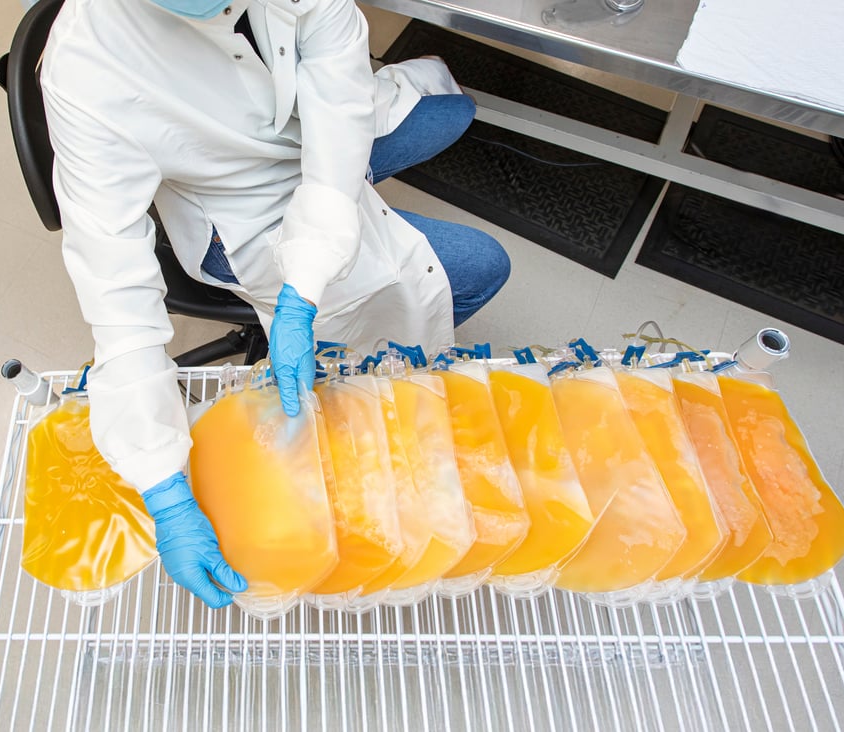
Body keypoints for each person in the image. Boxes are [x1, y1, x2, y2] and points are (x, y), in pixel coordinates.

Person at [41, 0, 510, 609]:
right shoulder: (86, 69)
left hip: (304, 124)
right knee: (482, 267)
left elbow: (340, 107)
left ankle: (347, 217)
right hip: (239, 207)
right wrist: (163, 487)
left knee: (453, 105)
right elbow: (118, 302)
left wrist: (311, 270)